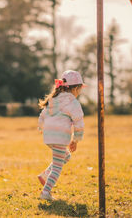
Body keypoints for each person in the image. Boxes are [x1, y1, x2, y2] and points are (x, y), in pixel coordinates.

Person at [37, 70, 86, 201]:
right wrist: (75, 140)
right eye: (80, 89)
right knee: (58, 167)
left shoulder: (54, 99)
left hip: (49, 136)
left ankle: (45, 174)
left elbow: (43, 113)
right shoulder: (73, 103)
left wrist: (41, 126)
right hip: (59, 137)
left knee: (65, 156)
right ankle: (45, 192)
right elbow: (79, 122)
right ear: (75, 88)